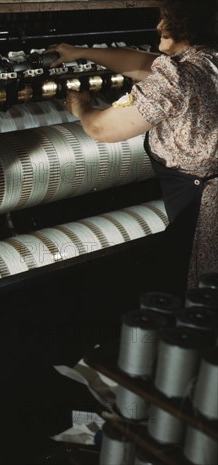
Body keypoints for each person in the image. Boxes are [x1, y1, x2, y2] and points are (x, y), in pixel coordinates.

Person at [45, 0, 218, 292]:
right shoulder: (208, 60)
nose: (158, 26)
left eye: (166, 19)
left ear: (187, 23)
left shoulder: (178, 77)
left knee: (195, 296)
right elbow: (139, 63)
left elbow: (102, 129)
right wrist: (79, 52)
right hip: (201, 200)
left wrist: (81, 109)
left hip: (201, 212)